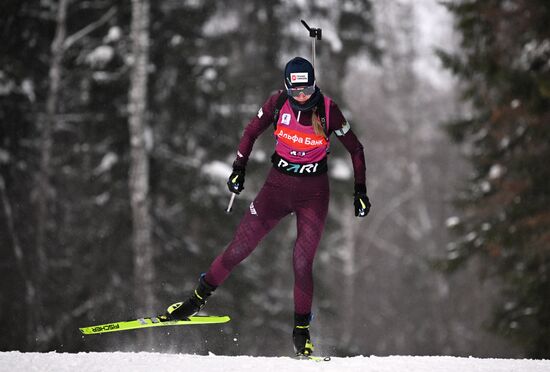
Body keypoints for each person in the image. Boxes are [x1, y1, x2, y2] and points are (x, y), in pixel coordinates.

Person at [161, 57, 371, 356]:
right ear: (287, 87)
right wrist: (239, 169)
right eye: (295, 91)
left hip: (313, 194)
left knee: (301, 262)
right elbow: (250, 132)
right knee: (238, 249)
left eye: (307, 90)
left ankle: (301, 333)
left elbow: (356, 149)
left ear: (314, 85)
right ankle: (194, 302)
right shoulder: (276, 103)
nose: (301, 96)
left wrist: (359, 191)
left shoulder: (327, 109)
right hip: (276, 188)